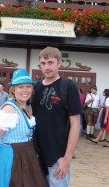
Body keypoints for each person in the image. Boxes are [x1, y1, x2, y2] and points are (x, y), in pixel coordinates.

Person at [0, 68, 47, 187]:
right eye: (20, 87)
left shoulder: (26, 107)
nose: (25, 90)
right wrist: (1, 158)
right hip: (12, 157)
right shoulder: (10, 109)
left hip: (27, 157)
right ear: (13, 90)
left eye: (28, 86)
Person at [32, 46, 82, 187]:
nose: (46, 67)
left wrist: (67, 157)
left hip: (57, 159)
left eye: (50, 62)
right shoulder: (35, 88)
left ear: (59, 63)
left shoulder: (68, 86)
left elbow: (75, 124)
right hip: (36, 158)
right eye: (43, 63)